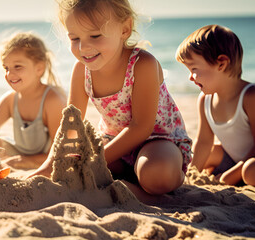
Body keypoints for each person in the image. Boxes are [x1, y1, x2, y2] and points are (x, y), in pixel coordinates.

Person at [29, 0, 192, 200]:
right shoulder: (81, 70)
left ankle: (166, 179)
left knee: (157, 175)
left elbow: (141, 127)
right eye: (74, 38)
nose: (83, 47)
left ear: (125, 29)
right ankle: (129, 183)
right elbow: (71, 124)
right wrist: (50, 165)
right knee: (76, 161)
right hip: (113, 143)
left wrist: (95, 161)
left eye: (95, 36)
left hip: (158, 141)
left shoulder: (143, 64)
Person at [176, 25, 255, 188]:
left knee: (252, 172)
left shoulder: (251, 95)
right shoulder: (205, 99)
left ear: (221, 64)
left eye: (194, 69)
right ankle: (233, 172)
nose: (190, 77)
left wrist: (227, 177)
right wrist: (191, 174)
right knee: (206, 154)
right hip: (236, 158)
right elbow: (203, 142)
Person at [0, 32, 66, 169]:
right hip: (20, 151)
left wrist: (24, 161)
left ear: (39, 68)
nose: (9, 74)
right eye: (6, 68)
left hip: (47, 156)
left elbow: (60, 153)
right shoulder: (10, 100)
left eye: (17, 66)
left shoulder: (52, 101)